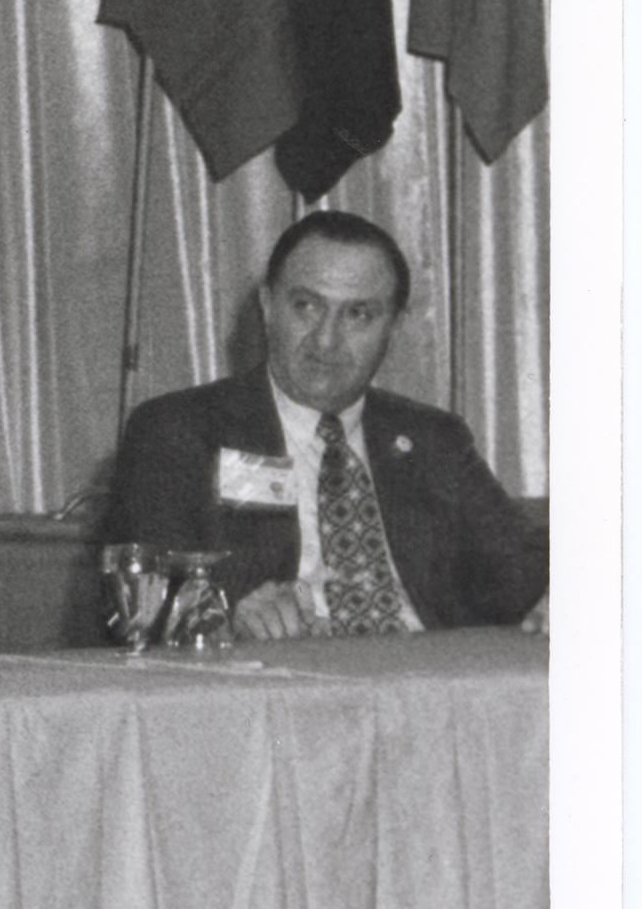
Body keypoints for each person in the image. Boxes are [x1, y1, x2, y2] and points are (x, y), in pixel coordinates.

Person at [101, 209, 547, 637]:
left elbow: (523, 572)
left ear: (394, 326)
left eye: (358, 315)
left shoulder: (434, 442)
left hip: (424, 685)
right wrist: (222, 615)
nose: (326, 340)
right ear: (267, 305)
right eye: (306, 306)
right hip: (274, 690)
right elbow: (143, 600)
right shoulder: (180, 431)